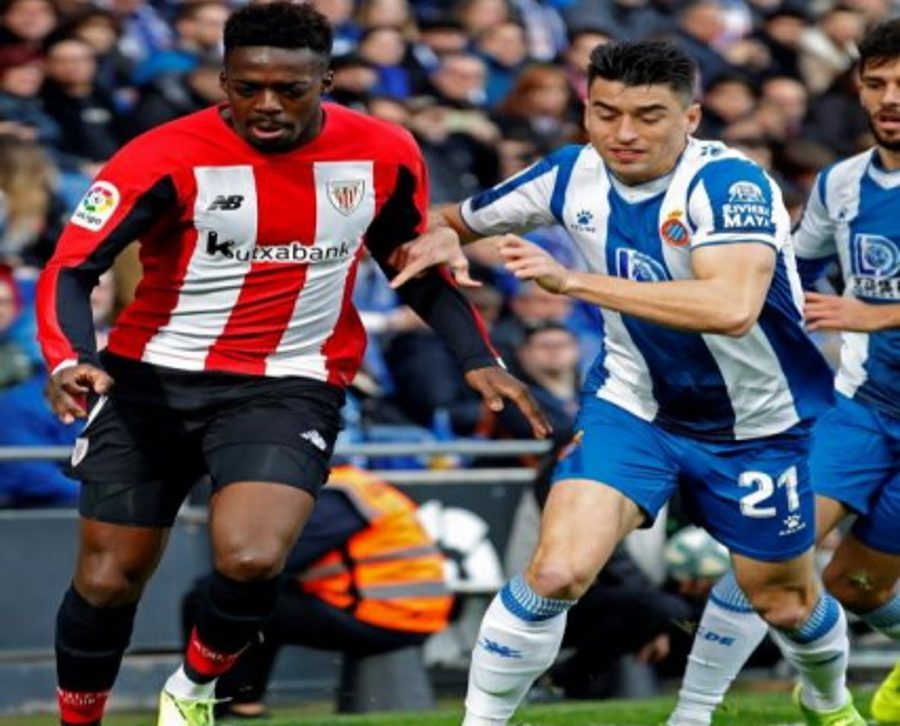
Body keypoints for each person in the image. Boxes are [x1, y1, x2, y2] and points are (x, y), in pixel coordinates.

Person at [34, 4, 549, 726]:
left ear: (326, 81)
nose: (266, 105)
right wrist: (69, 360)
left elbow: (414, 262)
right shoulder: (160, 156)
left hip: (289, 381)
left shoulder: (382, 151)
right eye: (247, 88)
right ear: (223, 81)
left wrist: (476, 356)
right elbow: (68, 268)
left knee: (251, 559)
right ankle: (77, 720)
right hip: (148, 382)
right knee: (108, 580)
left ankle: (195, 688)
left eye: (289, 89)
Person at [399, 39, 865, 726]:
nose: (622, 133)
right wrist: (438, 234)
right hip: (635, 409)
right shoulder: (568, 173)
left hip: (760, 428)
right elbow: (454, 220)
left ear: (692, 118)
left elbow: (731, 309)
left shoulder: (730, 186)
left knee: (786, 602)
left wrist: (574, 280)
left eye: (648, 115)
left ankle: (827, 700)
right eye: (604, 112)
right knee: (555, 573)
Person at [668, 19, 900, 726]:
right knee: (771, 552)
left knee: (856, 588)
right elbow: (789, 277)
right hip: (862, 408)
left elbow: (863, 309)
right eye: (877, 83)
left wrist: (883, 315)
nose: (890, 98)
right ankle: (696, 714)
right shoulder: (841, 184)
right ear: (857, 89)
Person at [184, 464, 453, 720]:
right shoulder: (352, 487)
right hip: (407, 613)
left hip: (388, 616)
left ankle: (223, 706)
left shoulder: (336, 498)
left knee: (218, 598)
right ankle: (242, 705)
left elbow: (282, 557)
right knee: (247, 599)